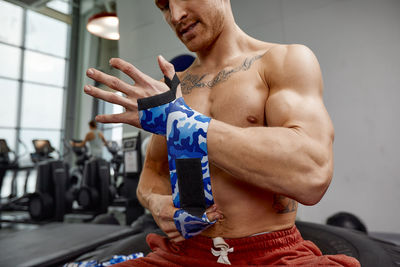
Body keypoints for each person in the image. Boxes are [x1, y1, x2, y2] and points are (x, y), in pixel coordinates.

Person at [83, 0, 360, 265]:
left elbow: (312, 174)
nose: (175, 14)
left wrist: (182, 122)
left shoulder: (283, 61)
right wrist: (157, 203)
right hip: (183, 254)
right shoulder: (174, 90)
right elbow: (153, 174)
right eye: (165, 5)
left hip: (272, 254)